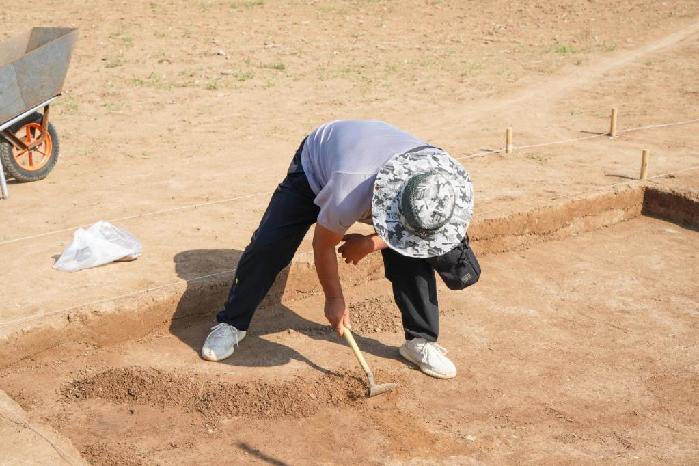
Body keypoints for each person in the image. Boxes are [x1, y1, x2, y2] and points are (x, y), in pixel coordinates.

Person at [201, 120, 480, 379]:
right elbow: (323, 245)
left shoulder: (443, 182)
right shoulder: (348, 192)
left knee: (412, 252)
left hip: (372, 158)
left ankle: (420, 340)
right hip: (316, 166)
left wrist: (370, 243)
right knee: (270, 246)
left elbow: (417, 235)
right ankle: (232, 323)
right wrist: (334, 299)